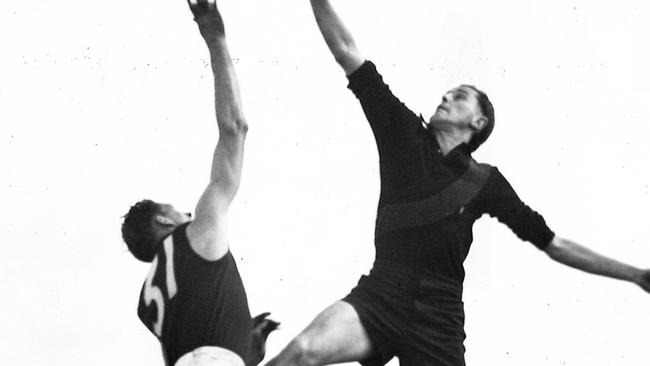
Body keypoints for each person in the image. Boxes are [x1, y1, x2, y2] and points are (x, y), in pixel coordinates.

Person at [265, 1, 650, 365]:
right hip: (384, 292)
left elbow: (554, 244)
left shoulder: (485, 181)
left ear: (478, 122)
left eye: (460, 96)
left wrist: (636, 274)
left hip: (440, 315)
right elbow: (347, 51)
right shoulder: (402, 133)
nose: (446, 96)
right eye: (448, 93)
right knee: (302, 351)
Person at [121, 1, 278, 365]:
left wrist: (242, 339)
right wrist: (216, 40)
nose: (187, 211)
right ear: (162, 221)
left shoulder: (148, 302)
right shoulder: (195, 232)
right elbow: (234, 129)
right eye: (175, 210)